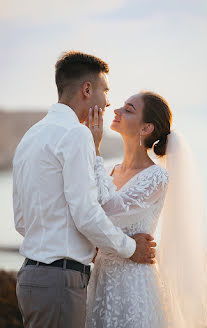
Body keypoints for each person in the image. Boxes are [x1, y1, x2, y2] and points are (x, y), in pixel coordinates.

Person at [13, 51, 156, 328]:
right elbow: (86, 213)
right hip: (59, 284)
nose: (108, 100)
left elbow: (21, 220)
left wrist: (67, 239)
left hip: (30, 279)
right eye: (105, 90)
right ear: (87, 89)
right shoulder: (76, 134)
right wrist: (130, 249)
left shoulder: (31, 135)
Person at [86, 92, 207, 327]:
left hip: (132, 284)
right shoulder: (107, 170)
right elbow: (86, 215)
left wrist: (94, 150)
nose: (116, 110)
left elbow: (109, 211)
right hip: (99, 279)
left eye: (128, 109)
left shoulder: (156, 176)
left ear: (146, 128)